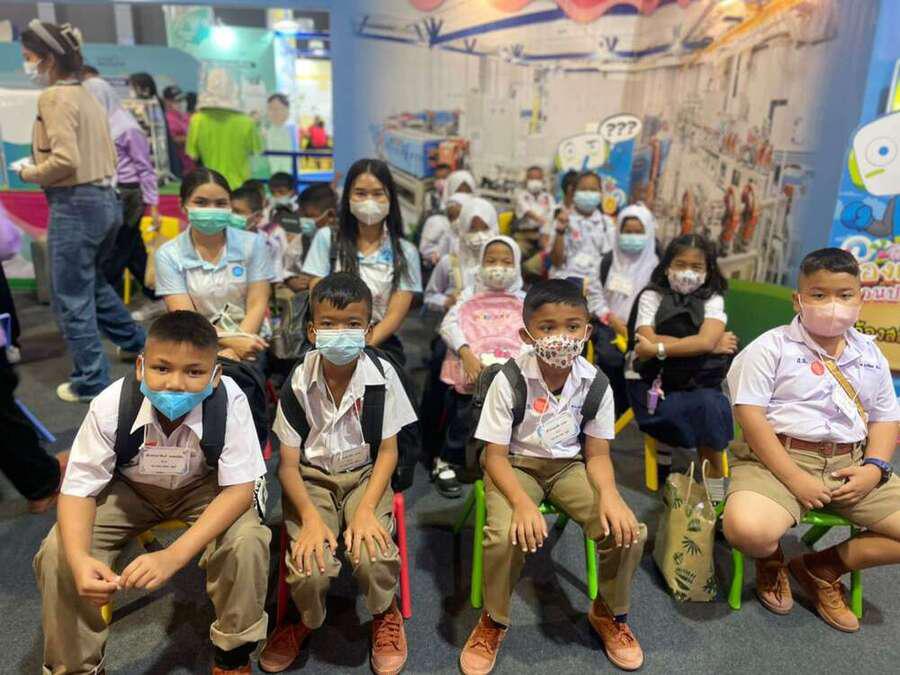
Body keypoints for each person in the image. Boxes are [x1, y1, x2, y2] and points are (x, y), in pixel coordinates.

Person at [33, 311, 270, 674]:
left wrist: (173, 556)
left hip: (203, 488)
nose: (175, 384)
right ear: (140, 367)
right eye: (161, 368)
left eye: (194, 372)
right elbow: (78, 488)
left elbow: (239, 489)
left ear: (215, 376)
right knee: (58, 552)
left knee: (247, 541)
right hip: (130, 489)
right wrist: (79, 559)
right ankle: (76, 667)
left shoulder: (229, 400)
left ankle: (232, 655)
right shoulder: (112, 404)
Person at [459, 279, 647, 674]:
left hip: (568, 466)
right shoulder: (508, 379)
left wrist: (610, 496)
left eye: (572, 326)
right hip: (514, 466)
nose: (561, 337)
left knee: (627, 530)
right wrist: (522, 503)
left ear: (587, 331)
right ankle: (493, 619)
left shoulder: (595, 383)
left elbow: (598, 454)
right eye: (547, 327)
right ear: (526, 335)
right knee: (504, 532)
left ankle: (608, 612)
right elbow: (493, 457)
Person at [723, 248, 900, 632]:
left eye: (844, 294)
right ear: (798, 299)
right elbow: (751, 419)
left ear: (860, 298)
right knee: (747, 531)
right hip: (776, 459)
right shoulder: (770, 348)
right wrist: (795, 479)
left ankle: (823, 568)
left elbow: (886, 418)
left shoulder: (870, 353)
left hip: (851, 464)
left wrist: (875, 468)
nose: (833, 305)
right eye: (819, 295)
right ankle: (771, 560)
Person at [260, 273, 415, 674]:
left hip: (365, 475)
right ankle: (305, 619)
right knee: (311, 567)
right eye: (328, 324)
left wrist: (365, 510)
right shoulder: (298, 380)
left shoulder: (382, 375)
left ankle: (385, 612)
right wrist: (310, 519)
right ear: (312, 331)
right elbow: (287, 466)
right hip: (312, 478)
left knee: (373, 555)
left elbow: (388, 452)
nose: (341, 333)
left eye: (352, 324)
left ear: (368, 330)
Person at [18, 19, 146, 402]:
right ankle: (138, 345)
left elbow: (65, 160)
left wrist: (29, 172)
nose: (28, 65)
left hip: (75, 203)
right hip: (105, 200)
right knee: (92, 284)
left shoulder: (55, 97)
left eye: (29, 57)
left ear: (47, 58)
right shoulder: (89, 93)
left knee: (71, 296)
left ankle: (91, 380)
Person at [154, 168, 274, 444]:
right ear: (183, 206)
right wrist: (229, 342)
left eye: (220, 203)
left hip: (250, 335)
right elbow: (184, 315)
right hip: (191, 337)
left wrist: (240, 343)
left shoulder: (254, 244)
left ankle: (251, 444)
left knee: (239, 376)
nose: (212, 210)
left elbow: (258, 302)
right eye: (201, 202)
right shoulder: (168, 254)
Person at [626, 234, 737, 500]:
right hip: (654, 378)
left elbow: (703, 341)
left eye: (696, 266)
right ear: (667, 266)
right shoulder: (651, 296)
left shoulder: (713, 299)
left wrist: (661, 348)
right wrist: (704, 344)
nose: (688, 272)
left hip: (699, 379)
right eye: (680, 264)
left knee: (711, 411)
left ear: (708, 270)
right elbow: (646, 339)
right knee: (668, 411)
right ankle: (664, 464)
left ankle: (715, 495)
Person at [302, 158, 422, 367]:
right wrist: (336, 346)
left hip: (378, 343)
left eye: (377, 193)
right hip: (329, 342)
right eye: (360, 193)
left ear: (390, 198)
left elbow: (395, 314)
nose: (369, 201)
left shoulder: (405, 252)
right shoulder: (326, 239)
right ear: (348, 197)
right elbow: (317, 297)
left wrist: (361, 345)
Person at [434, 235, 526, 498]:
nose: (498, 267)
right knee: (462, 418)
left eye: (506, 261)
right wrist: (466, 354)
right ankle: (447, 462)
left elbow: (531, 334)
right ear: (481, 263)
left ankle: (505, 465)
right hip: (472, 371)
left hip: (510, 373)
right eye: (491, 260)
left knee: (511, 421)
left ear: (517, 265)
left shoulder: (524, 300)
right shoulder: (469, 295)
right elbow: (449, 325)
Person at [82, 76, 164, 319]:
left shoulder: (127, 127)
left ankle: (103, 302)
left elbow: (145, 168)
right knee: (131, 248)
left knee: (117, 248)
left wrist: (153, 205)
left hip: (127, 194)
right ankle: (158, 296)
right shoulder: (99, 124)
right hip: (109, 189)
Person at [591, 203, 659, 418]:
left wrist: (638, 329)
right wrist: (611, 319)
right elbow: (594, 295)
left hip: (644, 329)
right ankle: (610, 409)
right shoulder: (607, 261)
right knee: (611, 358)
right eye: (627, 231)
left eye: (638, 232)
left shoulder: (657, 267)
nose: (632, 236)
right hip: (609, 325)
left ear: (648, 233)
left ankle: (633, 409)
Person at [187, 68, 263, 190]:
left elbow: (192, 155)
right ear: (233, 88)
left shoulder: (196, 120)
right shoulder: (247, 122)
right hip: (241, 188)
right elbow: (256, 153)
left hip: (211, 186)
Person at [424, 196, 497, 313]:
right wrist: (446, 302)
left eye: (485, 228)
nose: (479, 235)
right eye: (472, 229)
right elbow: (429, 296)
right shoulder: (449, 262)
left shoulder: (503, 265)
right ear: (462, 230)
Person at [548, 171, 614, 285]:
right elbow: (556, 262)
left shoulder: (606, 223)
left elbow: (609, 260)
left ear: (601, 193)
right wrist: (560, 231)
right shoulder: (563, 219)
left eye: (593, 190)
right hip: (565, 283)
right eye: (583, 189)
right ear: (573, 192)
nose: (588, 193)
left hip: (596, 284)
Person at [283, 182, 338, 293]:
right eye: (302, 216)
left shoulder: (342, 239)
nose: (304, 220)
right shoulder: (301, 240)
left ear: (330, 215)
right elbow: (287, 268)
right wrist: (291, 280)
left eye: (310, 216)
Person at [128, 72, 181, 178]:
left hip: (158, 152)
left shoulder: (153, 105)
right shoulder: (144, 104)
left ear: (143, 88)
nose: (130, 90)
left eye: (132, 87)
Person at [232, 184, 288, 284]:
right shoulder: (218, 239)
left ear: (257, 216)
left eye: (237, 212)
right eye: (230, 211)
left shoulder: (269, 244)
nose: (231, 216)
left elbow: (273, 281)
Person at [513, 165, 555, 263]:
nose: (535, 181)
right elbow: (528, 212)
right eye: (532, 178)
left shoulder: (548, 197)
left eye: (538, 178)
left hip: (544, 236)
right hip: (524, 236)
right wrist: (544, 222)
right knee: (517, 253)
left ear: (542, 180)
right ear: (526, 180)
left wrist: (546, 233)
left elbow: (553, 215)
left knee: (550, 255)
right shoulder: (520, 195)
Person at [163, 84, 195, 175]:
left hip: (192, 164)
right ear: (167, 102)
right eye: (177, 100)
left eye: (182, 99)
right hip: (180, 166)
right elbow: (173, 140)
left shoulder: (185, 116)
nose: (181, 103)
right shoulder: (168, 118)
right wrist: (193, 139)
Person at [265, 93, 299, 175]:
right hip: (273, 167)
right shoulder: (268, 130)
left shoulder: (290, 129)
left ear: (287, 111)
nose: (274, 113)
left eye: (278, 109)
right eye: (271, 109)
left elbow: (293, 150)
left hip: (286, 167)